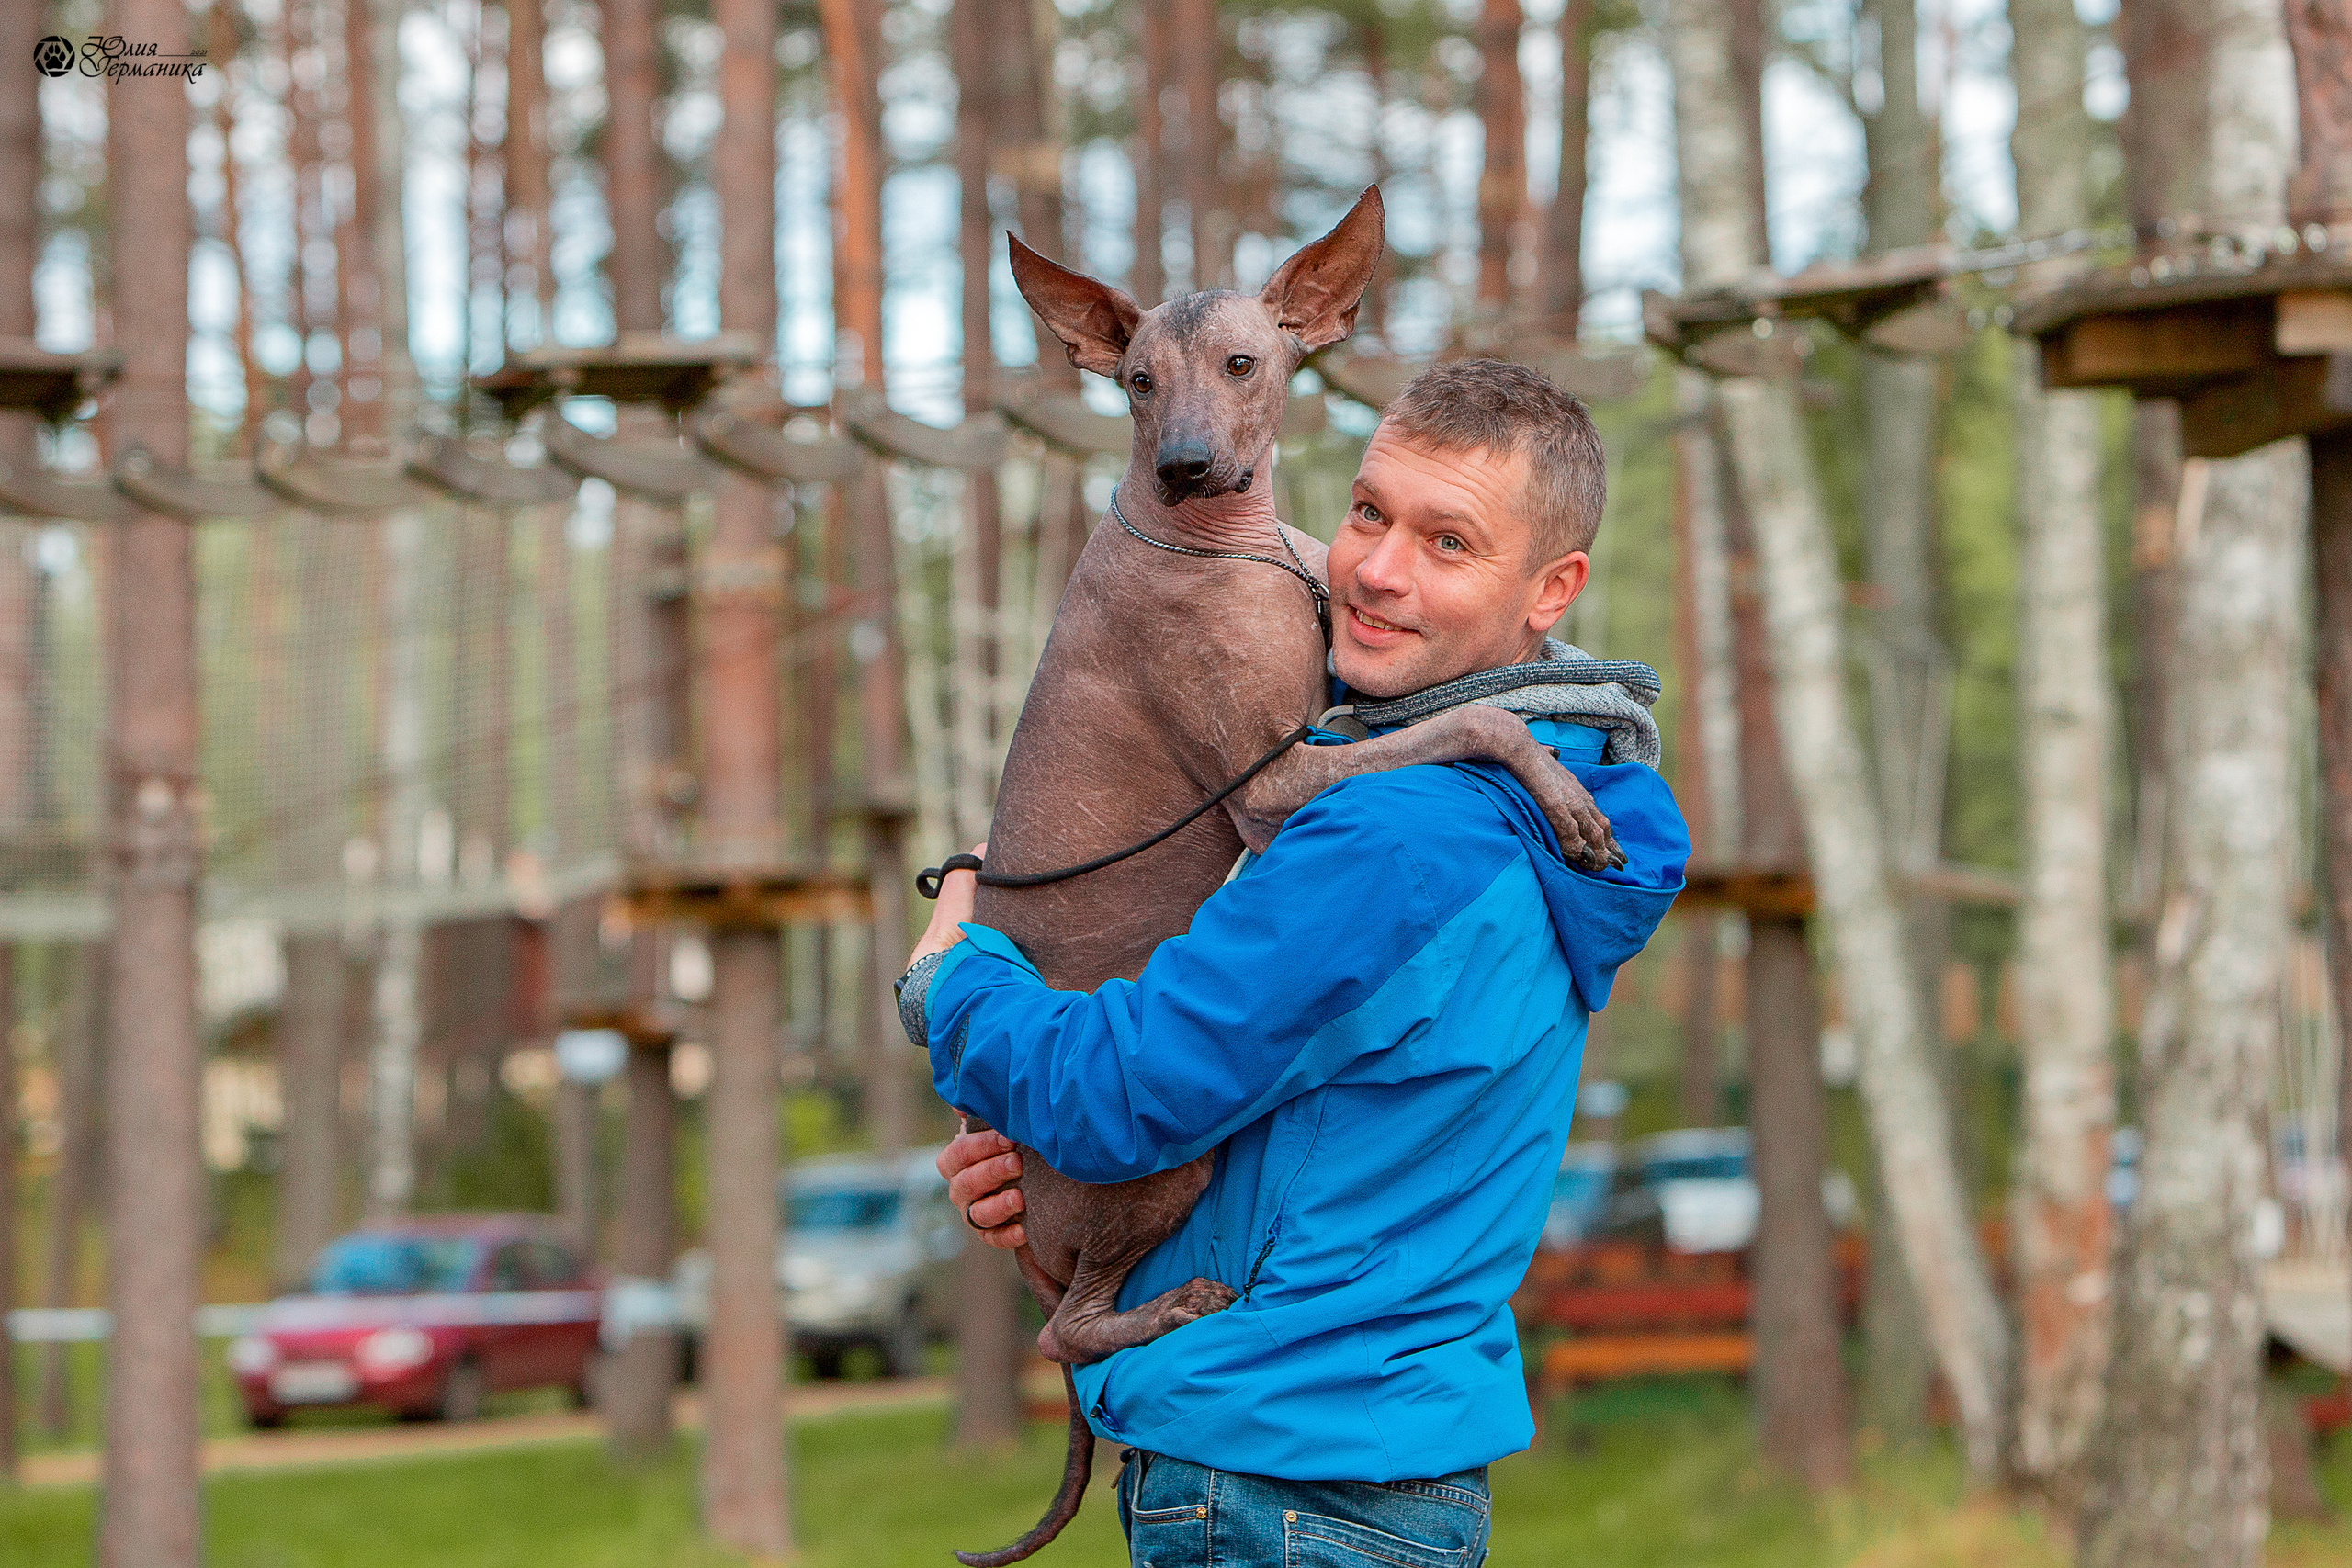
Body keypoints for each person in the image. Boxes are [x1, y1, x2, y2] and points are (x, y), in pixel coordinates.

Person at [901, 360, 1689, 1567]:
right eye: (1369, 513)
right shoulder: (1537, 804)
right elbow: (1300, 1139)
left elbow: (1124, 1092)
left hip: (1276, 1486)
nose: (1377, 570)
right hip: (1377, 1460)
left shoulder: (1394, 839)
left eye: (1448, 543)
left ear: (1552, 590)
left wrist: (952, 983)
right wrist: (1043, 1175)